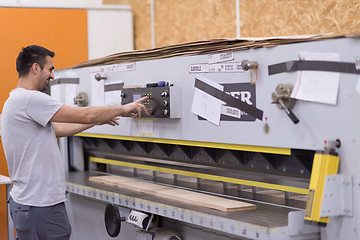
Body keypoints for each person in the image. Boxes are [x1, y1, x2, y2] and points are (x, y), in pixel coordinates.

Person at [1, 45, 148, 240]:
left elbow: (58, 129)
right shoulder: (31, 99)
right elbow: (84, 114)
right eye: (50, 69)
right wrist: (121, 109)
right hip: (41, 206)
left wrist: (98, 119)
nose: (52, 76)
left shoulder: (14, 101)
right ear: (35, 68)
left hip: (29, 204)